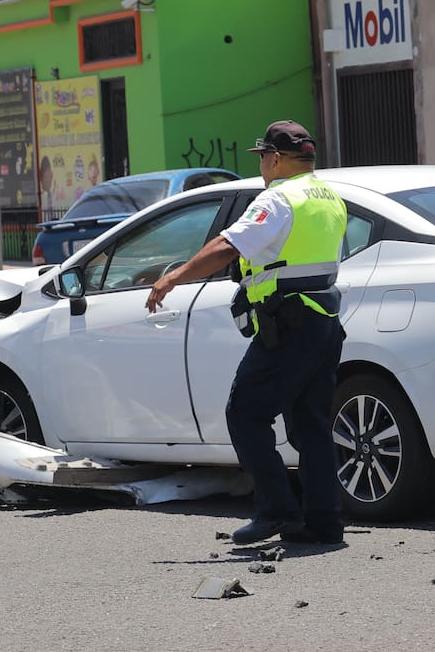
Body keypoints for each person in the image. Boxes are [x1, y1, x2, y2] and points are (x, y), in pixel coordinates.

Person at [145, 120, 348, 545]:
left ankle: (276, 510)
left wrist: (173, 278)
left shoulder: (278, 199)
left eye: (263, 159)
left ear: (275, 157)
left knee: (246, 414)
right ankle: (323, 523)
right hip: (323, 321)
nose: (262, 168)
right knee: (310, 425)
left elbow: (226, 247)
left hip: (289, 324)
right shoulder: (330, 197)